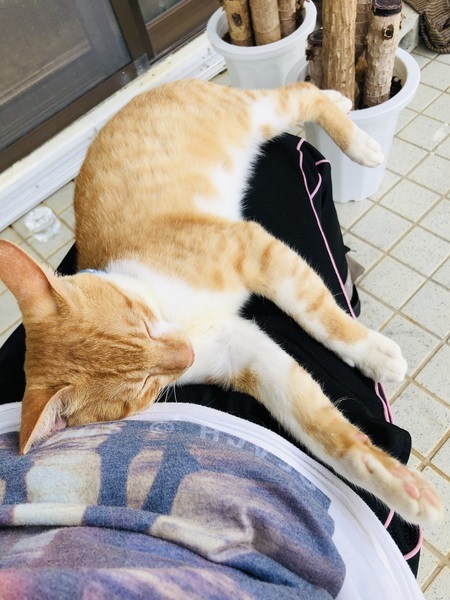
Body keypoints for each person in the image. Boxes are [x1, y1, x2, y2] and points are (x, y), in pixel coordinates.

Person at [0, 135, 424, 598]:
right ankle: (341, 287)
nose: (181, 355)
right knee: (283, 158)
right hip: (304, 506)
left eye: (148, 333)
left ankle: (340, 292)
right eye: (145, 382)